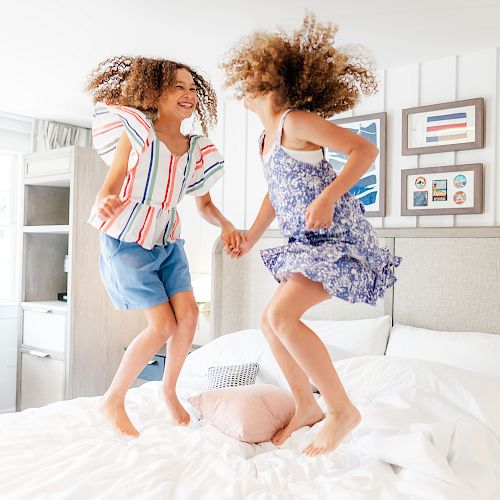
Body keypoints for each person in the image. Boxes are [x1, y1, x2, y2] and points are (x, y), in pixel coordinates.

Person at [222, 14, 401, 456]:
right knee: (269, 322)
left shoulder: (295, 120)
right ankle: (306, 405)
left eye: (247, 75)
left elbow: (365, 150)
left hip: (336, 238)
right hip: (307, 243)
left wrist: (327, 198)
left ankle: (340, 410)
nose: (240, 83)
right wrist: (249, 236)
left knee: (282, 318)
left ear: (267, 78)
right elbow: (275, 195)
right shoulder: (266, 137)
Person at [86, 56, 244, 437]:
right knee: (162, 325)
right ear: (154, 93)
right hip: (126, 238)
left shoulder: (196, 151)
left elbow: (203, 205)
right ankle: (112, 399)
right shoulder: (138, 132)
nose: (188, 94)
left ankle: (168, 390)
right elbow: (111, 185)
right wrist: (104, 201)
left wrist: (226, 225)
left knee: (188, 316)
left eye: (193, 88)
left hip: (167, 239)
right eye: (178, 87)